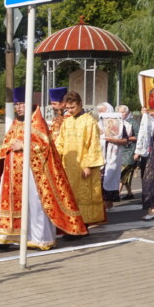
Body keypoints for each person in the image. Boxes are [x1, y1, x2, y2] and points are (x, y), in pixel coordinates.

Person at [0, 88, 87, 251]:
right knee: (7, 205)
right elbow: (6, 144)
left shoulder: (37, 122)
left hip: (33, 174)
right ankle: (2, 238)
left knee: (35, 205)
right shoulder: (16, 123)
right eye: (17, 105)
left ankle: (40, 239)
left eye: (22, 104)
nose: (18, 108)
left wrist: (24, 145)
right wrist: (9, 148)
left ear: (30, 104)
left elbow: (44, 146)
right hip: (12, 173)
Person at [53, 90, 105, 230]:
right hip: (68, 166)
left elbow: (93, 145)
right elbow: (60, 143)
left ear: (80, 104)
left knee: (84, 195)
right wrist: (54, 156)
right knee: (70, 195)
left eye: (72, 107)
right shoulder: (67, 122)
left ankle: (84, 224)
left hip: (83, 166)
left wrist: (88, 166)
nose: (70, 111)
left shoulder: (89, 121)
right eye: (68, 108)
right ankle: (72, 223)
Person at [95, 102, 127, 210]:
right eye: (99, 111)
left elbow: (125, 140)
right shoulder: (97, 125)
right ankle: (102, 204)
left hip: (113, 155)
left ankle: (108, 202)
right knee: (101, 179)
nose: (101, 113)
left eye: (103, 111)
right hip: (100, 155)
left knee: (110, 177)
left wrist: (113, 140)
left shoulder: (118, 124)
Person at [116, 105, 138, 199]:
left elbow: (138, 136)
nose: (121, 114)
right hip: (120, 150)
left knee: (122, 173)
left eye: (123, 112)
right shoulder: (117, 122)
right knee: (126, 174)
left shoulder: (133, 122)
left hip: (130, 150)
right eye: (119, 112)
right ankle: (129, 193)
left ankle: (115, 196)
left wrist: (126, 139)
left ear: (127, 112)